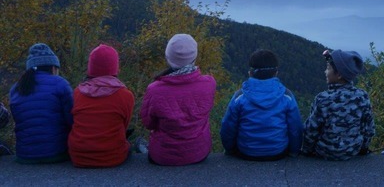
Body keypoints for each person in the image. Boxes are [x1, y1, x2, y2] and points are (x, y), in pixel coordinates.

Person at [140, 34, 216, 166]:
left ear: (168, 57)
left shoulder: (155, 89)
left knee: (140, 143)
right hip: (199, 152)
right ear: (194, 56)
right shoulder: (209, 83)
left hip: (163, 156)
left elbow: (149, 123)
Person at [220, 49, 303, 160]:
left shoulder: (239, 96)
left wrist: (229, 149)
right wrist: (294, 151)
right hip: (277, 152)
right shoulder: (286, 95)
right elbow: (295, 127)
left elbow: (228, 126)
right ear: (276, 72)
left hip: (246, 152)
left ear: (250, 72)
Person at [68, 44, 135, 168]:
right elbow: (124, 125)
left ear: (91, 67)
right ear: (115, 67)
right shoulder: (125, 95)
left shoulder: (78, 92)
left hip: (78, 156)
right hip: (112, 157)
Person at [301, 49, 375, 160]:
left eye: (328, 68)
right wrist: (363, 148)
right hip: (353, 150)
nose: (325, 72)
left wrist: (306, 151)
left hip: (324, 151)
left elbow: (311, 130)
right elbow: (368, 128)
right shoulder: (362, 96)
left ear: (339, 75)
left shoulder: (323, 98)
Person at [9, 43, 73, 163]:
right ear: (53, 67)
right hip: (56, 153)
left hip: (24, 156)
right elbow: (72, 120)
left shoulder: (16, 88)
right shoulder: (60, 84)